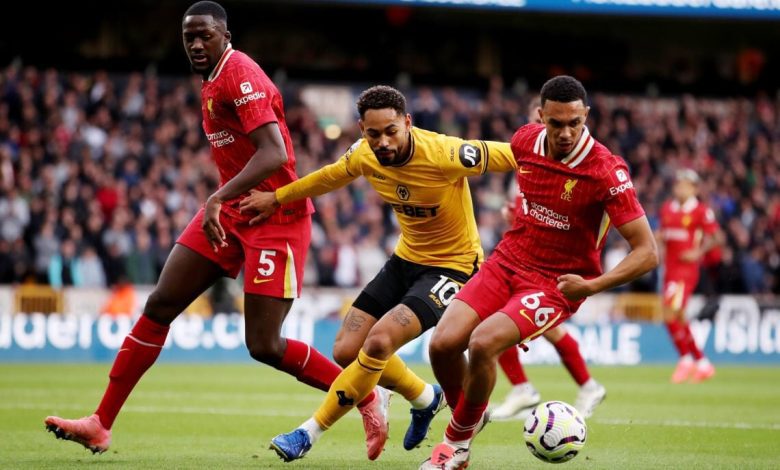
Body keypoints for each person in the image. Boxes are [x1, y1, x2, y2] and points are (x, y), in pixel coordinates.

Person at [44, 1, 388, 457]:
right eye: (189, 37)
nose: (196, 44)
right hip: (232, 211)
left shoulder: (239, 73)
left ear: (225, 34)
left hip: (275, 216)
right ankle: (100, 423)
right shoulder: (209, 80)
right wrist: (223, 201)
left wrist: (216, 198)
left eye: (205, 34)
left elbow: (275, 153)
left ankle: (364, 394)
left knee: (263, 345)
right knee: (160, 303)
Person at [238, 85, 520, 462]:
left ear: (407, 122)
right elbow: (328, 177)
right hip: (405, 259)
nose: (383, 141)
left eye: (391, 131)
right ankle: (425, 397)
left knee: (379, 341)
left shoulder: (444, 153)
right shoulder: (364, 156)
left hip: (452, 267)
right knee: (345, 350)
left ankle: (308, 432)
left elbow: (516, 156)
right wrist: (277, 197)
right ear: (361, 130)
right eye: (373, 134)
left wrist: (569, 161)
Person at [422, 75, 659, 469]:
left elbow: (648, 252)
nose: (566, 133)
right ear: (540, 117)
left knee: (483, 343)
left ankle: (456, 445)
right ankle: (470, 415)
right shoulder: (523, 141)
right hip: (507, 260)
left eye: (574, 123)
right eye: (556, 123)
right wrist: (518, 210)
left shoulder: (606, 171)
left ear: (586, 116)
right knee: (442, 344)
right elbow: (533, 187)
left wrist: (592, 285)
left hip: (556, 282)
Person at [491, 98, 606, 421]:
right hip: (524, 256)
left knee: (501, 325)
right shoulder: (530, 154)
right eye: (541, 123)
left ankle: (529, 388)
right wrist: (513, 212)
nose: (545, 132)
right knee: (512, 326)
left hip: (551, 264)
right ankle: (581, 385)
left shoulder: (585, 166)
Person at [657, 169, 719, 383]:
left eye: (684, 184)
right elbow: (664, 235)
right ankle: (703, 363)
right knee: (678, 317)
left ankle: (685, 359)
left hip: (685, 271)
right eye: (677, 184)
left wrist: (698, 252)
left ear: (694, 188)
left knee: (669, 312)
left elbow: (716, 237)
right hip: (669, 270)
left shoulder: (701, 211)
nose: (679, 188)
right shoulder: (667, 209)